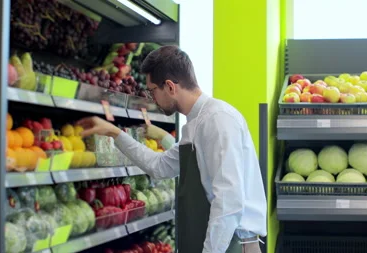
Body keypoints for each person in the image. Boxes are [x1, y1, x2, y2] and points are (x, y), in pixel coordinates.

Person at [77, 45, 267, 253]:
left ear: (170, 87)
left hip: (233, 245)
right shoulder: (195, 124)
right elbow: (160, 167)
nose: (152, 99)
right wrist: (115, 133)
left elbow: (229, 201)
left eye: (152, 91)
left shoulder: (218, 120)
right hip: (211, 240)